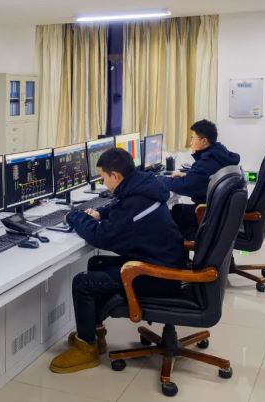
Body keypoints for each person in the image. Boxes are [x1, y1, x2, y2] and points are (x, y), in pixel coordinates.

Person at [49, 148, 185, 374]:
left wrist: (74, 216)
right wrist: (101, 214)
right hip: (161, 262)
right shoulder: (142, 187)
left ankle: (86, 350)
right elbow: (122, 208)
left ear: (115, 176)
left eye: (103, 177)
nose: (103, 183)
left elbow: (102, 237)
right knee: (96, 265)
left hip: (159, 276)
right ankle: (93, 335)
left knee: (83, 282)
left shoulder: (136, 201)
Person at [158, 120, 240, 239]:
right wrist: (188, 174)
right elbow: (201, 177)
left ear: (204, 141)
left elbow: (184, 186)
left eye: (193, 138)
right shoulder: (220, 154)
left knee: (164, 216)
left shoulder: (206, 163)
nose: (191, 142)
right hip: (218, 213)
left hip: (206, 215)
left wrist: (160, 179)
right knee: (176, 209)